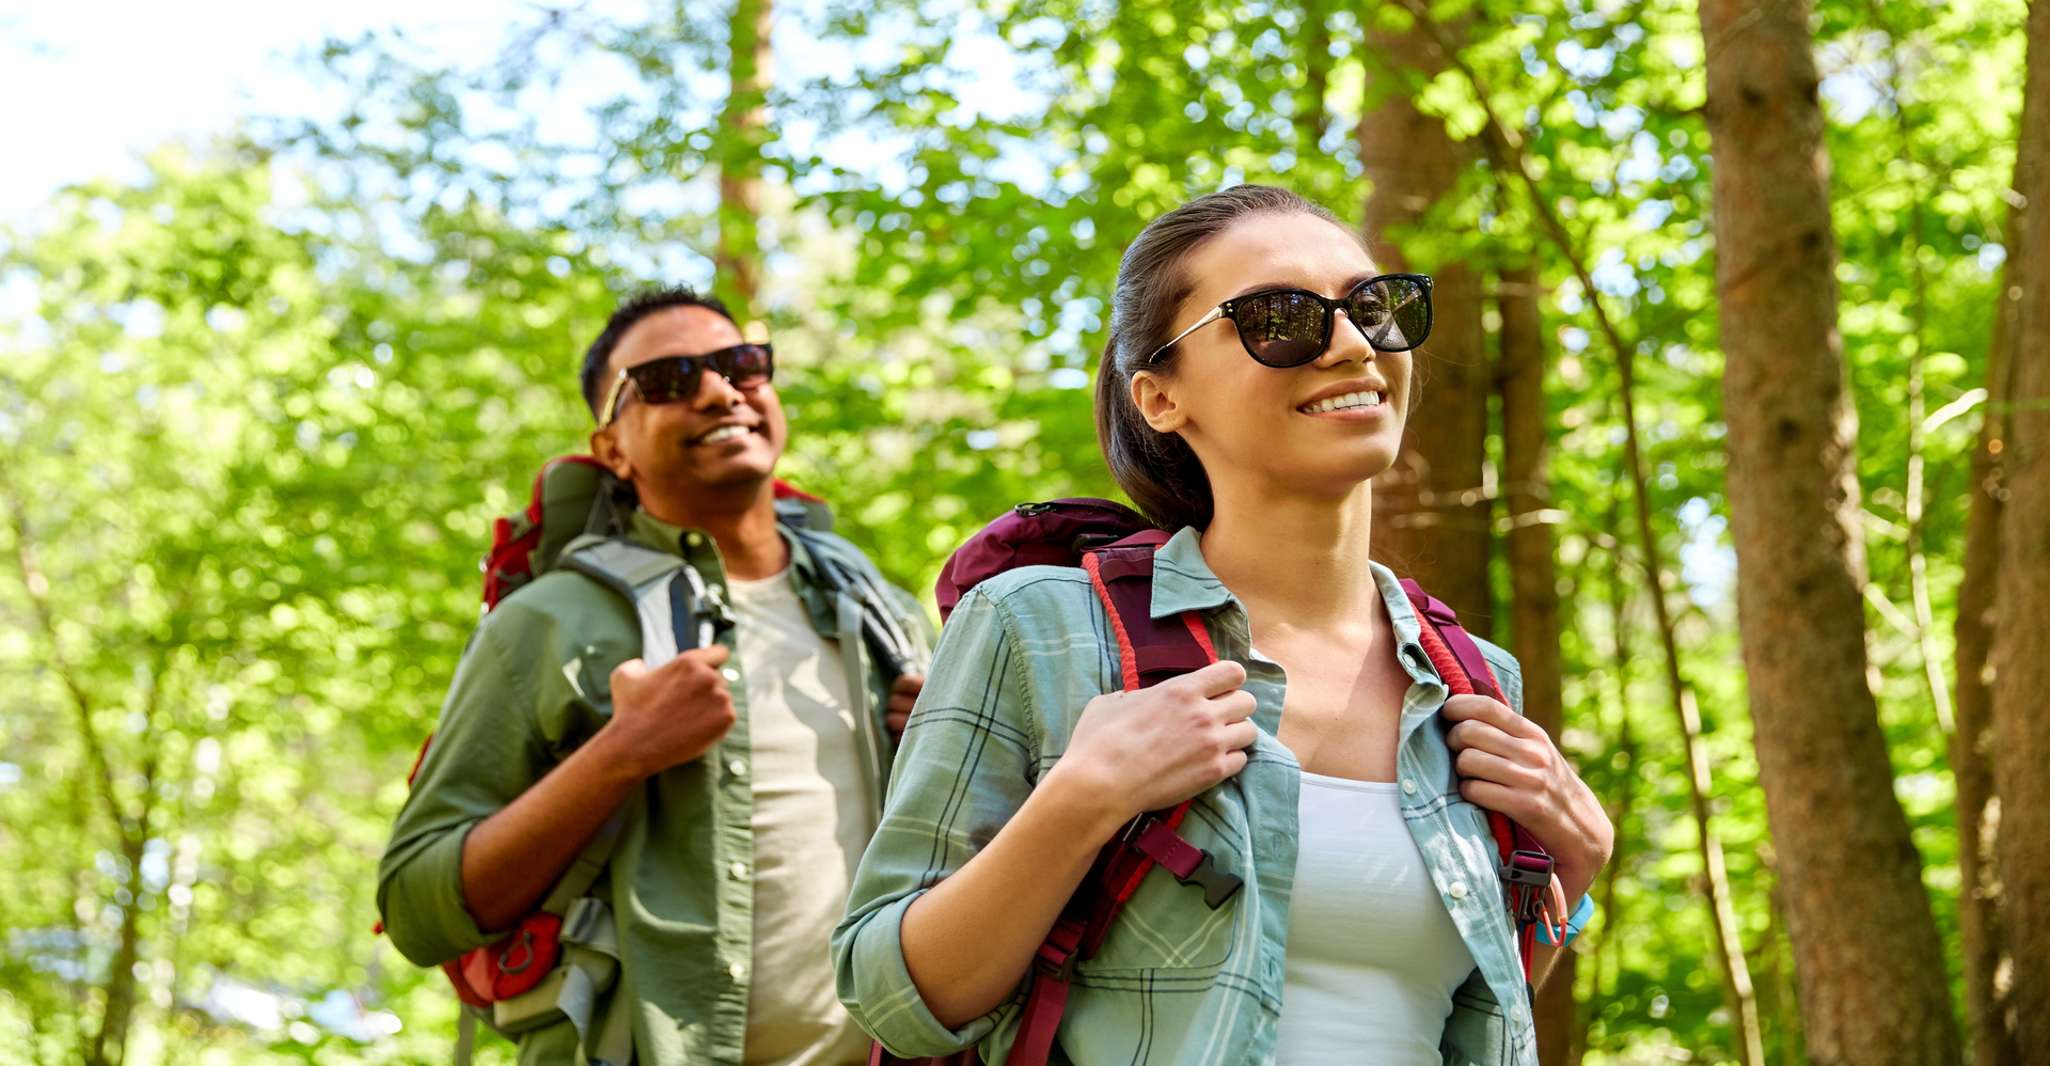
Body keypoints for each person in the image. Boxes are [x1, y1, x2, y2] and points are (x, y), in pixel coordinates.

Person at [834, 186, 1613, 1066]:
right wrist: (1081, 800)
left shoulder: (1475, 679)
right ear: (1161, 397)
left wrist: (1569, 882)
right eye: (1280, 318)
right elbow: (890, 996)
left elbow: (1463, 1016)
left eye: (1374, 306)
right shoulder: (1041, 629)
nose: (1355, 344)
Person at [380, 286, 933, 1065]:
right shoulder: (547, 623)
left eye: (741, 365)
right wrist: (622, 753)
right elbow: (416, 905)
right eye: (669, 381)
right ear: (611, 448)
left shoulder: (883, 616)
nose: (718, 391)